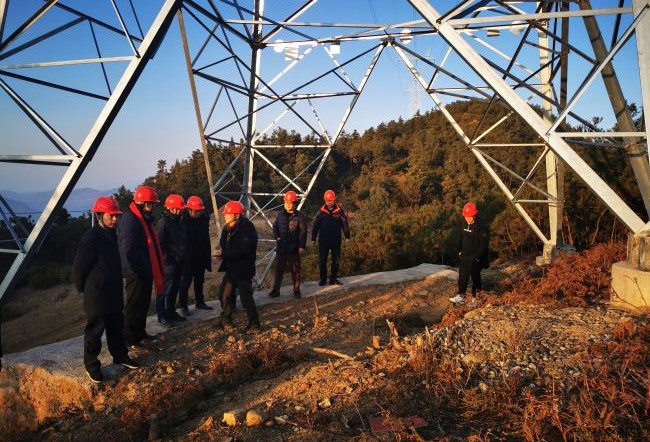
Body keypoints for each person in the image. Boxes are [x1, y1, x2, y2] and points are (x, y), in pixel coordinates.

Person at [73, 197, 139, 383]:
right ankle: (92, 365)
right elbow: (79, 267)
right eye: (111, 216)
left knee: (116, 327)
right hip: (97, 294)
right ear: (100, 216)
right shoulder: (91, 238)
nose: (115, 219)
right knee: (95, 331)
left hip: (113, 292)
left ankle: (120, 355)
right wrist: (82, 288)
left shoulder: (112, 235)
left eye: (117, 216)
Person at [118, 185, 164, 346]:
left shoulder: (140, 217)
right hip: (135, 271)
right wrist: (135, 271)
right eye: (151, 204)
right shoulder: (130, 219)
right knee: (134, 305)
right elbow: (127, 248)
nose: (153, 208)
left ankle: (140, 333)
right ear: (144, 203)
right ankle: (130, 338)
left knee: (143, 303)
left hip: (144, 267)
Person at [214, 201, 260, 332]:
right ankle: (226, 321)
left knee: (246, 298)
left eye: (228, 214)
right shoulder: (227, 228)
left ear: (237, 215)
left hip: (243, 269)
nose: (225, 216)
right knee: (224, 295)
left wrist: (224, 254)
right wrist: (223, 254)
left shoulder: (247, 229)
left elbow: (244, 250)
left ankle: (254, 324)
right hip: (231, 268)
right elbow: (224, 244)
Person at [156, 194, 189, 327]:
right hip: (168, 262)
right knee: (165, 290)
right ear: (172, 208)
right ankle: (162, 316)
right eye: (180, 208)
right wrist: (168, 257)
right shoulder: (164, 222)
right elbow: (158, 243)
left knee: (174, 288)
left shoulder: (177, 220)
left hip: (177, 260)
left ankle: (171, 312)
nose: (182, 210)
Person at [268, 191, 308, 299]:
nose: (288, 205)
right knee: (279, 269)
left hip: (293, 247)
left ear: (295, 203)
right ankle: (276, 290)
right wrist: (277, 236)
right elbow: (275, 227)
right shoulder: (280, 214)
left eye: (290, 203)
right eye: (286, 202)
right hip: (281, 247)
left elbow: (303, 232)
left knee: (295, 270)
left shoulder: (300, 216)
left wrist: (302, 246)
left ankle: (296, 291)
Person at [179, 196, 213, 315]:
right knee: (185, 281)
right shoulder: (183, 220)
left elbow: (206, 238)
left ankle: (200, 301)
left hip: (200, 255)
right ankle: (183, 305)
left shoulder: (204, 219)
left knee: (199, 280)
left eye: (200, 211)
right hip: (188, 257)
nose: (198, 213)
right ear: (189, 209)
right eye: (196, 211)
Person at [449, 202, 489, 305]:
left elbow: (484, 245)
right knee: (462, 276)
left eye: (468, 216)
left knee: (475, 276)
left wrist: (477, 257)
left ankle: (476, 298)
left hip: (475, 256)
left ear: (474, 215)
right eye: (465, 216)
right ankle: (461, 295)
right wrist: (459, 251)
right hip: (464, 254)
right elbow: (460, 238)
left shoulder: (481, 226)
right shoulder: (463, 223)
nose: (466, 218)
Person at [311, 189, 350, 286]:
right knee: (322, 260)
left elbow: (345, 224)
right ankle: (323, 279)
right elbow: (315, 226)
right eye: (328, 201)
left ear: (334, 199)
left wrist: (347, 236)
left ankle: (333, 279)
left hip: (336, 239)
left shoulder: (339, 211)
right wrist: (313, 238)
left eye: (331, 200)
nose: (330, 202)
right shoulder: (321, 212)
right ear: (325, 200)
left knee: (336, 260)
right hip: (323, 240)